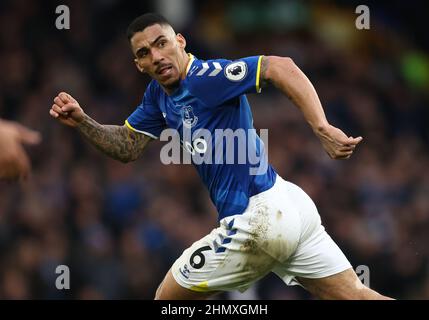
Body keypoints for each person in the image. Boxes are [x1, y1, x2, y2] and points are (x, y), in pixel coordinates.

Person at [49, 13, 392, 300]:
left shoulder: (206, 78)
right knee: (356, 295)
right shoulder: (158, 96)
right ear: (138, 64)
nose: (156, 56)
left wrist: (321, 127)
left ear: (180, 42)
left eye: (161, 43)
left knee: (166, 301)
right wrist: (82, 121)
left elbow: (278, 66)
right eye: (144, 53)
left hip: (258, 217)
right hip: (287, 205)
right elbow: (129, 146)